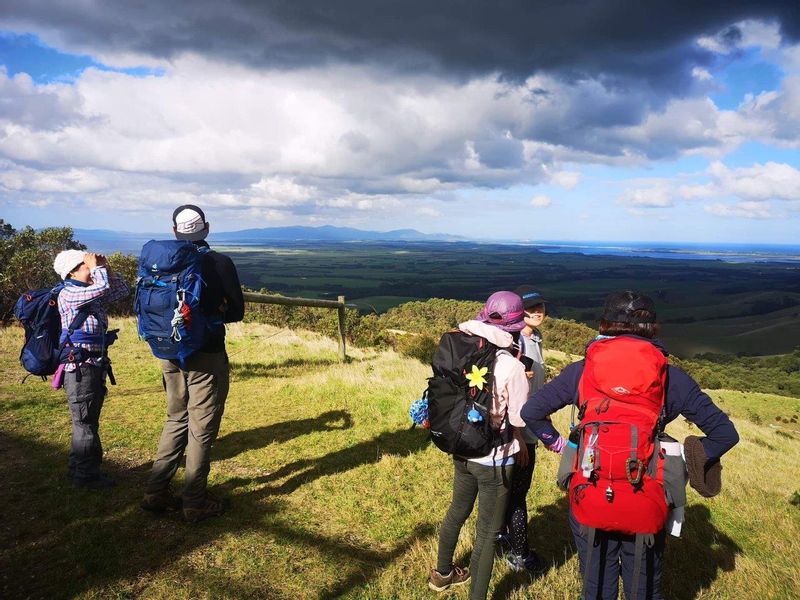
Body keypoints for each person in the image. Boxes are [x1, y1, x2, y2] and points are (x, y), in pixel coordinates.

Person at [521, 291, 739, 600]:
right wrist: (688, 460)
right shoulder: (669, 377)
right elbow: (724, 434)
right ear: (652, 328)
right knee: (643, 586)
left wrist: (558, 443)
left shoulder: (582, 372)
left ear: (606, 325)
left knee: (596, 584)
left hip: (590, 490)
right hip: (646, 494)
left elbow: (530, 412)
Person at [141, 205, 245, 523]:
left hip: (168, 350)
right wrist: (217, 310)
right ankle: (195, 501)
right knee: (202, 428)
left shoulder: (158, 263)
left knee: (176, 418)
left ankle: (156, 491)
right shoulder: (219, 263)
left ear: (174, 231)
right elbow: (237, 312)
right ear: (207, 229)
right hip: (207, 353)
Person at [429, 291, 531, 599]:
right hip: (495, 459)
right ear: (515, 325)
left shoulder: (460, 347)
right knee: (486, 532)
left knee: (457, 511)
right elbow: (519, 417)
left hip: (460, 446)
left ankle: (442, 574)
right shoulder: (511, 366)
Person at [53, 249, 130, 488]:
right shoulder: (69, 294)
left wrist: (104, 268)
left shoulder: (88, 294)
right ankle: (86, 476)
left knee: (87, 420)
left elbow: (121, 289)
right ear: (73, 271)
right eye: (86, 266)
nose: (91, 268)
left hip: (92, 365)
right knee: (85, 421)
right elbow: (102, 289)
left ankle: (78, 467)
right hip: (80, 368)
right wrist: (97, 271)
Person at [495, 285, 548, 573]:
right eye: (530, 308)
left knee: (511, 488)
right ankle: (519, 555)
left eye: (540, 306)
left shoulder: (535, 339)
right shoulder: (515, 343)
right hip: (518, 430)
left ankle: (499, 534)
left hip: (529, 425)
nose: (537, 311)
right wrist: (518, 435)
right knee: (518, 492)